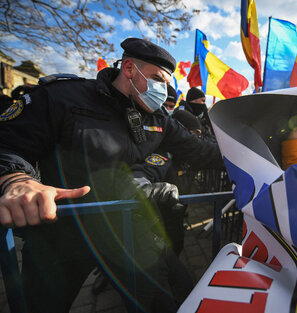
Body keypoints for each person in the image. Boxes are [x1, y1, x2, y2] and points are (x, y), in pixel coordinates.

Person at [0, 37, 224, 313]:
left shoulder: (158, 118)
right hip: (61, 235)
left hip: (127, 228)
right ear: (129, 68)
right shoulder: (63, 97)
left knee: (173, 298)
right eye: (156, 78)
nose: (162, 89)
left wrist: (254, 156)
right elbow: (8, 142)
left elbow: (201, 151)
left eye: (166, 82)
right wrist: (17, 180)